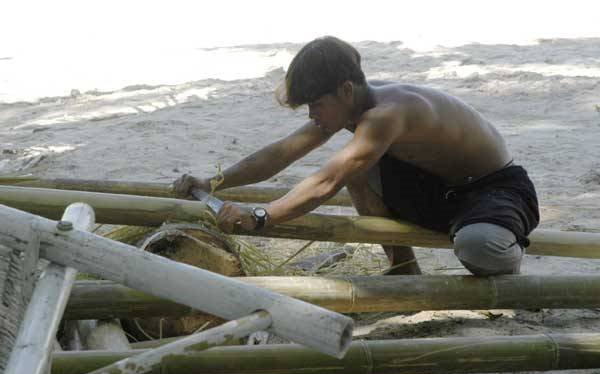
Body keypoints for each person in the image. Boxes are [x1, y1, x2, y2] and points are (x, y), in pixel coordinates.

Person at [172, 36, 539, 276]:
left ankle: (506, 254)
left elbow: (327, 181)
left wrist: (261, 217)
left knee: (477, 248)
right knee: (359, 170)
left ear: (346, 90)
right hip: (438, 191)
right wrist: (213, 182)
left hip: (493, 192)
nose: (312, 116)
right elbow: (279, 155)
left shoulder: (387, 114)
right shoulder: (348, 108)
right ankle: (403, 268)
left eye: (315, 105)